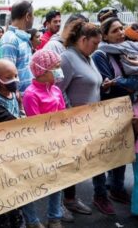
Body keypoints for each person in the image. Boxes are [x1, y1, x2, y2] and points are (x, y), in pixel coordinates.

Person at [57, 19, 102, 217]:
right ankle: (60, 205)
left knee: (76, 163)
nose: (97, 48)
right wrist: (72, 112)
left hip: (87, 123)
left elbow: (89, 82)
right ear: (83, 39)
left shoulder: (86, 57)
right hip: (72, 123)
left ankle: (70, 199)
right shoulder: (67, 58)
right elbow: (58, 90)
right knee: (66, 164)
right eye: (95, 43)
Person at [91, 17, 135, 215]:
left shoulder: (126, 50)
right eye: (115, 31)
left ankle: (116, 188)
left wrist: (121, 82)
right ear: (105, 35)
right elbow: (109, 83)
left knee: (121, 150)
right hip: (109, 110)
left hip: (126, 108)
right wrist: (124, 82)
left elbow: (126, 80)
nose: (121, 34)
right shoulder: (101, 54)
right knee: (105, 154)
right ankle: (101, 194)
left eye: (121, 29)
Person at [22, 50, 65, 228]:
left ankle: (54, 217)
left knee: (58, 181)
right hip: (39, 146)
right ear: (42, 70)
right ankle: (32, 221)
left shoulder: (55, 89)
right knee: (31, 185)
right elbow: (35, 124)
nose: (59, 70)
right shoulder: (30, 94)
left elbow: (63, 113)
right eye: (56, 67)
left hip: (57, 144)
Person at [0, 59, 24, 228]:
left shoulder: (15, 96)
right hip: (2, 160)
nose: (15, 80)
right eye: (8, 77)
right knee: (4, 206)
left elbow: (21, 116)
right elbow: (16, 123)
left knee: (17, 203)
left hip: (16, 156)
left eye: (16, 76)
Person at [0, 0, 34, 93]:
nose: (34, 18)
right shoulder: (10, 40)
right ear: (27, 16)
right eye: (33, 15)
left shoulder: (22, 37)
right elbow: (7, 75)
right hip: (19, 100)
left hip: (27, 96)